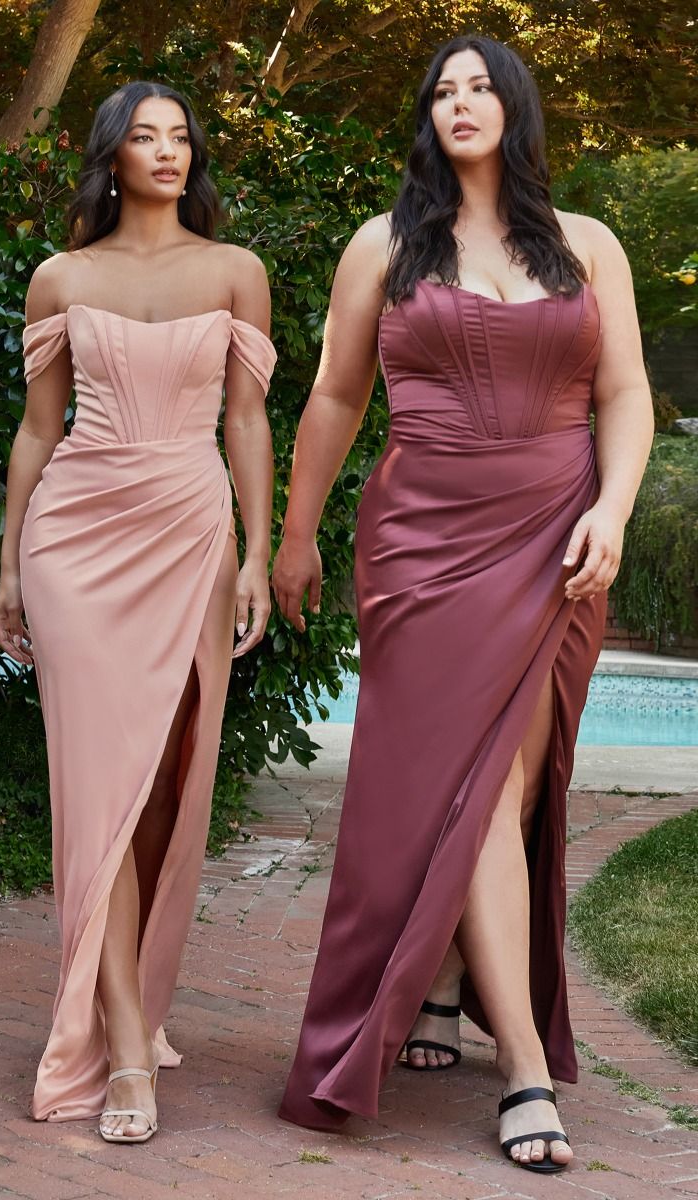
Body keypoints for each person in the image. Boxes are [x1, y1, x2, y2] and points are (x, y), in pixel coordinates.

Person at [273, 35, 653, 1174]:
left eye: (480, 85)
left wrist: (615, 509)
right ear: (426, 118)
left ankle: (443, 983)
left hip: (555, 535)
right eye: (441, 90)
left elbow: (626, 390)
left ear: (516, 105)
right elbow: (335, 394)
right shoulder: (382, 246)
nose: (459, 102)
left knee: (515, 781)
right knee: (473, 791)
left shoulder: (586, 245)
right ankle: (527, 1069)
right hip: (421, 543)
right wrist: (291, 538)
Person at [0, 81, 276, 1142]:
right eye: (144, 136)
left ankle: (138, 1000)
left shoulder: (234, 271)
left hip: (189, 524)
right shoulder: (60, 276)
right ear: (110, 156)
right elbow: (35, 428)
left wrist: (254, 549)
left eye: (180, 137)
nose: (166, 150)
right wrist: (13, 566)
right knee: (98, 786)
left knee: (164, 779)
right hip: (77, 532)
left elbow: (247, 418)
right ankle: (118, 1049)